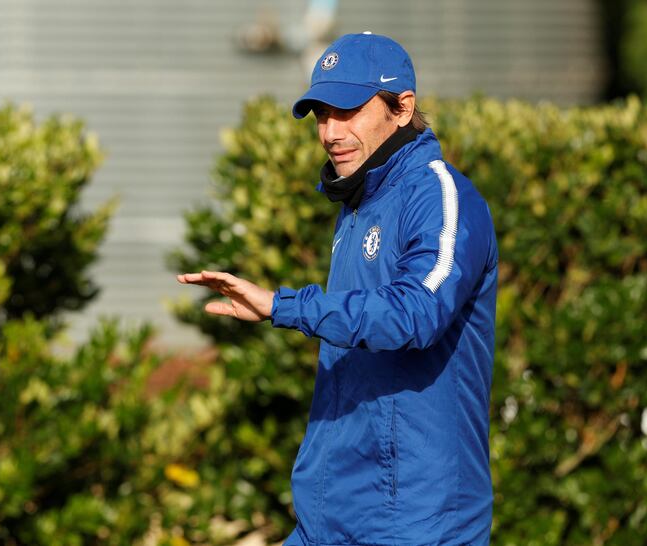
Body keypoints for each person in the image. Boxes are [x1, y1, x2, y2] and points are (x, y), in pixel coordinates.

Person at [178, 32, 498, 546]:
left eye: (347, 111)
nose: (330, 132)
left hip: (417, 524)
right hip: (330, 519)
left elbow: (415, 313)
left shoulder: (440, 195)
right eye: (321, 115)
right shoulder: (358, 204)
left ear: (402, 107)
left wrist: (283, 305)